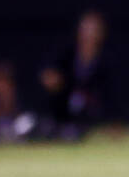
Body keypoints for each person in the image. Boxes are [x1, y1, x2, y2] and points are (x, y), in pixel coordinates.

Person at [40, 10, 112, 140]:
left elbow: (108, 95)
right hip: (61, 109)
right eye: (86, 29)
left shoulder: (105, 61)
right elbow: (48, 76)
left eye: (93, 30)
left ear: (101, 33)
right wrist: (54, 81)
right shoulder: (65, 53)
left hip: (89, 115)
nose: (89, 34)